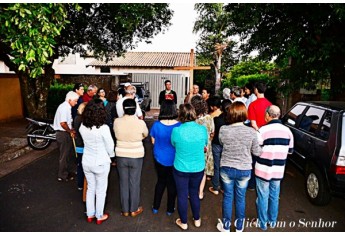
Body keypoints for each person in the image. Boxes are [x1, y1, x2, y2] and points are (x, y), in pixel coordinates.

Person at [217, 102, 262, 232]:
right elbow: (256, 152)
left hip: (226, 167)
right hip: (244, 169)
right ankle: (239, 227)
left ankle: (225, 227)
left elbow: (221, 143)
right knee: (241, 197)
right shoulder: (251, 132)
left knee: (227, 196)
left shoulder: (223, 129)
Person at [255, 105, 294, 230]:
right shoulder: (288, 132)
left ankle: (262, 223)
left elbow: (256, 151)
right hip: (278, 170)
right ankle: (272, 221)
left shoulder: (262, 130)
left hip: (262, 169)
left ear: (267, 115)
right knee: (274, 196)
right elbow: (290, 152)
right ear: (279, 115)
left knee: (262, 196)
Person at [171, 103, 208, 230]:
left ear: (180, 115)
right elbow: (205, 145)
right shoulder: (202, 129)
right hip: (198, 167)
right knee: (194, 193)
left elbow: (173, 144)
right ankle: (197, 219)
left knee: (181, 195)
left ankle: (184, 222)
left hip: (180, 167)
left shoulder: (176, 131)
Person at [79, 99, 115, 224]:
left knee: (90, 188)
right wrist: (111, 156)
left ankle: (90, 214)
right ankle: (99, 215)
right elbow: (110, 146)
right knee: (101, 190)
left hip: (87, 161)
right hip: (101, 162)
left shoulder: (82, 126)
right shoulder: (104, 128)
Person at [114, 98, 148, 217]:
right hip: (136, 154)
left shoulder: (117, 121)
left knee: (123, 182)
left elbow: (116, 134)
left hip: (121, 154)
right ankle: (133, 209)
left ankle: (125, 210)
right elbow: (145, 134)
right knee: (134, 182)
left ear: (123, 109)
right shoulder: (140, 123)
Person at [150, 100, 181, 216]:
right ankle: (170, 209)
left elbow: (153, 141)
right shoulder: (179, 126)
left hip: (159, 158)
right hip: (174, 159)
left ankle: (156, 207)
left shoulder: (156, 125)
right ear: (174, 109)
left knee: (160, 182)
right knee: (172, 184)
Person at [247, 82, 272, 190]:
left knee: (253, 160)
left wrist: (259, 132)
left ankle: (252, 184)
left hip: (256, 136)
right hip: (268, 136)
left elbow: (252, 123)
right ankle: (264, 182)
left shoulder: (253, 105)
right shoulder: (270, 105)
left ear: (256, 90)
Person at [191, 95, 214, 200]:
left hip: (193, 147)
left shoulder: (191, 119)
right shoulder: (209, 118)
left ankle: (190, 192)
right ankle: (200, 193)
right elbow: (212, 133)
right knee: (203, 172)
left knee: (191, 170)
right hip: (205, 147)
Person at [53, 91, 79, 182]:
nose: (76, 103)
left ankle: (66, 172)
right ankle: (62, 175)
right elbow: (63, 123)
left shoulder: (65, 106)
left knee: (67, 154)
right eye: (75, 101)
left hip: (64, 133)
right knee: (64, 155)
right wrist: (70, 130)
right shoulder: (65, 108)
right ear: (70, 100)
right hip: (63, 133)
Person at [209, 99, 232, 196]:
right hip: (228, 145)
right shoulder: (232, 121)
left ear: (221, 108)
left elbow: (213, 133)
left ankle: (215, 187)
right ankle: (224, 187)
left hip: (217, 144)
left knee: (217, 166)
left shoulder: (216, 119)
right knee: (226, 166)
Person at [73, 102, 87, 191]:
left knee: (80, 165)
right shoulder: (84, 120)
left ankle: (80, 184)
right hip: (85, 146)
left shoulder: (76, 118)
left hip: (78, 145)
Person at [105, 90, 118, 166]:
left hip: (106, 125)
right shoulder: (114, 106)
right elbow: (115, 117)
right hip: (112, 126)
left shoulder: (106, 104)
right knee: (114, 142)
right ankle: (113, 159)